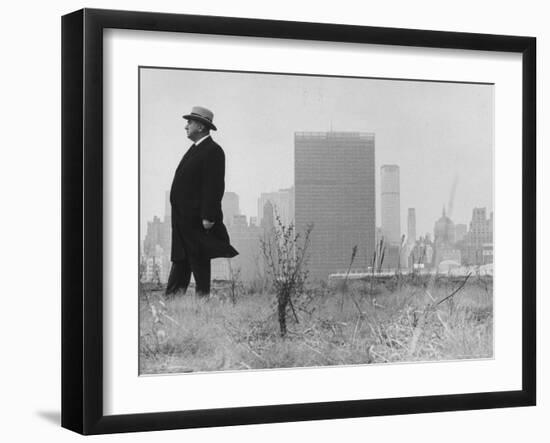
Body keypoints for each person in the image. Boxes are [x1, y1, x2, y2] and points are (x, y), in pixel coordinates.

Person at [166, 106, 238, 298]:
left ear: (200, 126)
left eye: (189, 122)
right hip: (183, 220)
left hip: (197, 220)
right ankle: (173, 298)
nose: (186, 126)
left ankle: (201, 299)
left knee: (197, 260)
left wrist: (208, 216)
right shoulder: (196, 149)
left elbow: (213, 186)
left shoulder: (213, 151)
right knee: (182, 259)